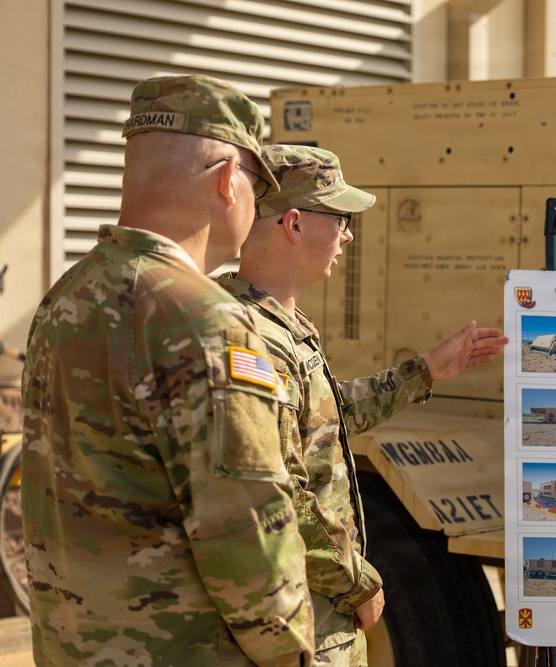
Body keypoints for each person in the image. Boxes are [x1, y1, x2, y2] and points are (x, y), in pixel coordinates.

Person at [20, 75, 314, 666]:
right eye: (259, 184)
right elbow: (249, 535)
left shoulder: (64, 297)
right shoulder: (206, 320)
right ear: (230, 182)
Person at [216, 144, 508, 666]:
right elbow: (275, 486)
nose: (348, 234)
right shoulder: (247, 336)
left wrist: (425, 371)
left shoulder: (278, 323)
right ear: (295, 223)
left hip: (313, 610)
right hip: (296, 618)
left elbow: (323, 423)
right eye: (341, 218)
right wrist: (357, 583)